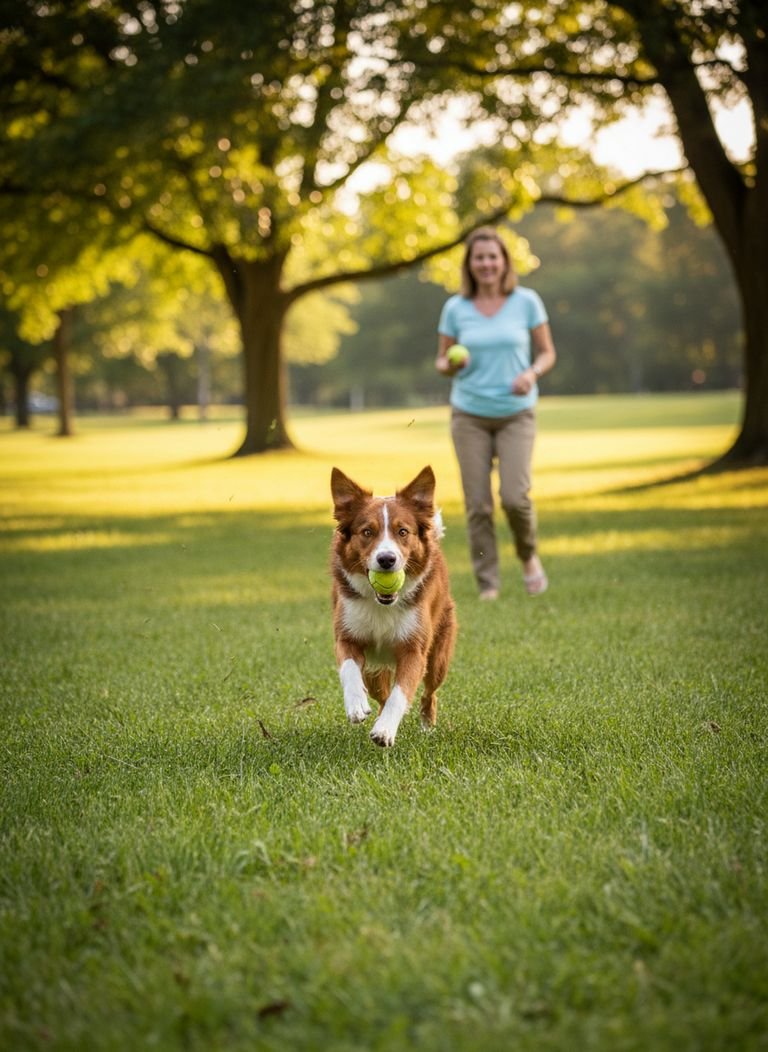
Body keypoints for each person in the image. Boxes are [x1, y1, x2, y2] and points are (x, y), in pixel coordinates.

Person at [436, 226, 556, 600]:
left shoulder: (527, 302)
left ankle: (528, 555)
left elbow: (548, 352)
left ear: (504, 262)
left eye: (493, 256)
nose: (486, 263)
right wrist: (453, 365)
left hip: (516, 412)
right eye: (479, 258)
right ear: (470, 265)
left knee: (515, 497)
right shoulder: (456, 308)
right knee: (478, 506)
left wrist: (531, 374)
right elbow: (441, 360)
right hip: (468, 413)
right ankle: (489, 583)